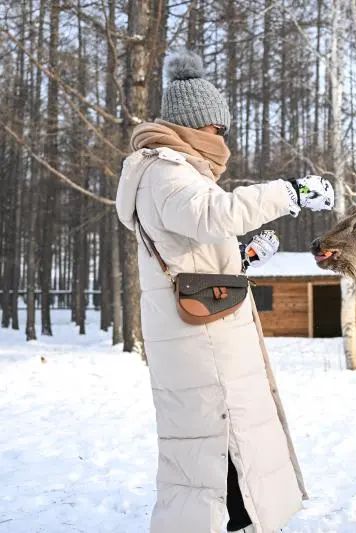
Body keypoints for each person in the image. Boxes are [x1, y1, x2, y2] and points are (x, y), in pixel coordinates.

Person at [115, 50, 334, 533]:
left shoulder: (172, 174)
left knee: (220, 452)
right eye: (218, 129)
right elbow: (213, 215)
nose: (223, 141)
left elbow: (192, 252)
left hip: (204, 336)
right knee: (217, 452)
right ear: (194, 126)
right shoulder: (165, 171)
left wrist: (246, 258)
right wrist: (290, 192)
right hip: (202, 345)